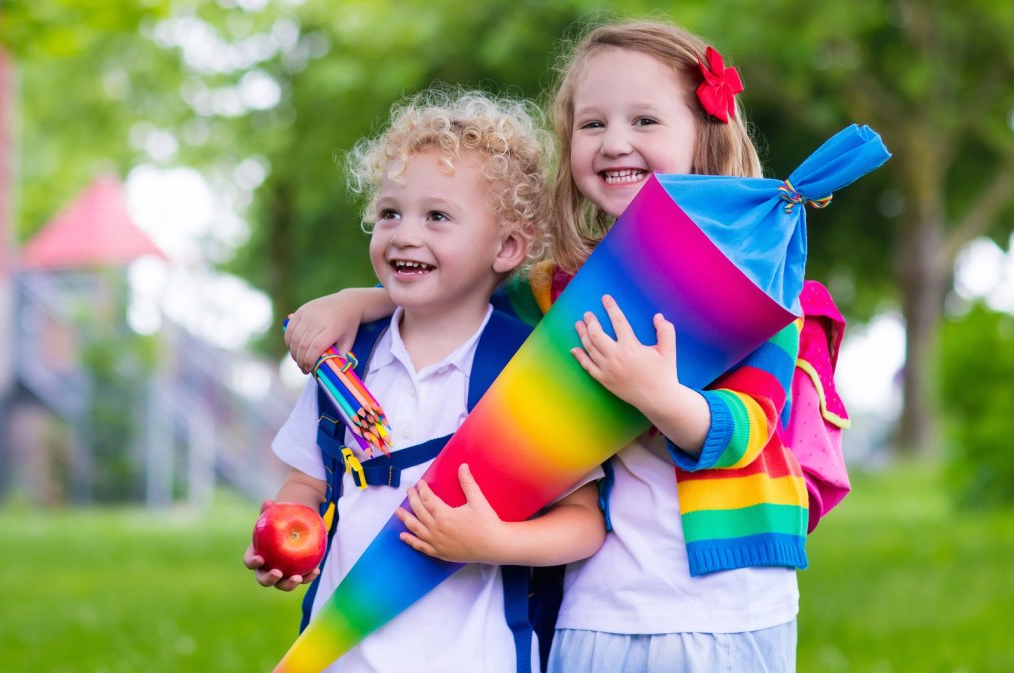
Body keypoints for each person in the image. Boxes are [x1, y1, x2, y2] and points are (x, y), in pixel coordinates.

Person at [284, 20, 806, 673]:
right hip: (593, 604)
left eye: (644, 120)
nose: (615, 141)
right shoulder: (553, 289)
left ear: (706, 131)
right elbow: (455, 285)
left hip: (724, 609)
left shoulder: (755, 285)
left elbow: (746, 430)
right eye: (592, 124)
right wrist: (357, 302)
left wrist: (659, 395)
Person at [245, 88, 606, 673]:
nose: (405, 234)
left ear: (507, 247)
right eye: (390, 213)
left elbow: (585, 523)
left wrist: (493, 544)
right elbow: (304, 484)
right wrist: (291, 535)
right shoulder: (346, 361)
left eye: (437, 216)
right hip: (342, 653)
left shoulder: (527, 372)